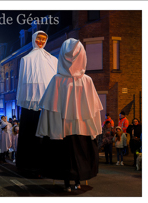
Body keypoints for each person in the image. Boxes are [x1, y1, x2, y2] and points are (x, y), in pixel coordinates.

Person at [36, 38, 102, 192]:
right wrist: (94, 129)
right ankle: (70, 182)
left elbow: (48, 110)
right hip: (74, 129)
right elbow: (93, 111)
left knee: (66, 156)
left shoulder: (68, 80)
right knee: (72, 156)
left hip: (67, 129)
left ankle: (73, 181)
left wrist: (47, 129)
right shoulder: (64, 80)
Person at [16, 30, 58, 172]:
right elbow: (22, 83)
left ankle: (47, 164)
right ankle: (30, 165)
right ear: (34, 39)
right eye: (38, 39)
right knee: (31, 136)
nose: (40, 42)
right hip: (31, 106)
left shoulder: (53, 60)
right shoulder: (26, 59)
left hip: (47, 105)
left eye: (43, 39)